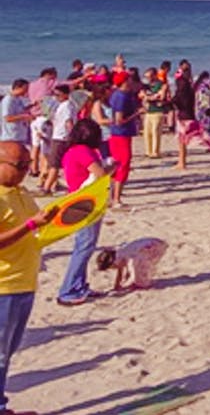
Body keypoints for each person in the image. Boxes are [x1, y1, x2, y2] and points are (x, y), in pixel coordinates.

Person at [0, 140, 59, 414]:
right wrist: (31, 224)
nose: (25, 170)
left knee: (7, 352)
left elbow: (33, 232)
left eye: (27, 165)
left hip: (24, 282)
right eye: (19, 165)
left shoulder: (20, 192)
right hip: (4, 286)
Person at [56, 120, 110, 306]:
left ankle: (79, 285)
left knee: (85, 246)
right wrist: (112, 166)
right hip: (85, 203)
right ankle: (68, 289)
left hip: (79, 200)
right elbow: (99, 173)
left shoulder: (71, 151)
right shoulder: (83, 151)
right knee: (84, 247)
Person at [106, 71, 141, 208]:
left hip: (120, 134)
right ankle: (116, 199)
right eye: (130, 80)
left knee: (117, 165)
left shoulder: (123, 94)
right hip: (121, 134)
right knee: (123, 165)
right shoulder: (121, 96)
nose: (132, 82)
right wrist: (137, 114)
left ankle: (112, 197)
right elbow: (119, 120)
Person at [96, 238, 169, 291]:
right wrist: (117, 285)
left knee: (137, 275)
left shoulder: (127, 258)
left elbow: (127, 272)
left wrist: (123, 285)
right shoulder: (119, 254)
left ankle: (143, 282)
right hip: (152, 244)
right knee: (135, 267)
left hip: (152, 247)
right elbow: (120, 270)